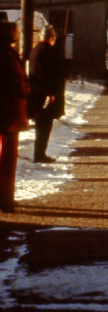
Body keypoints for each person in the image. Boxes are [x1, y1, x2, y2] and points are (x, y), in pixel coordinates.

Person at [0, 21, 31, 212]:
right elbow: (14, 84)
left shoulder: (7, 55)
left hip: (6, 113)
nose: (18, 33)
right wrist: (27, 88)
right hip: (8, 114)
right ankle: (5, 199)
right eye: (15, 31)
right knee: (7, 159)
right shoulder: (7, 56)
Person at [29, 24, 64, 163]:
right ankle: (40, 154)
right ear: (51, 38)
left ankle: (39, 153)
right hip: (45, 95)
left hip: (37, 93)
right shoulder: (48, 51)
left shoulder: (35, 50)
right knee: (44, 124)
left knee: (41, 124)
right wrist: (50, 93)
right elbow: (46, 74)